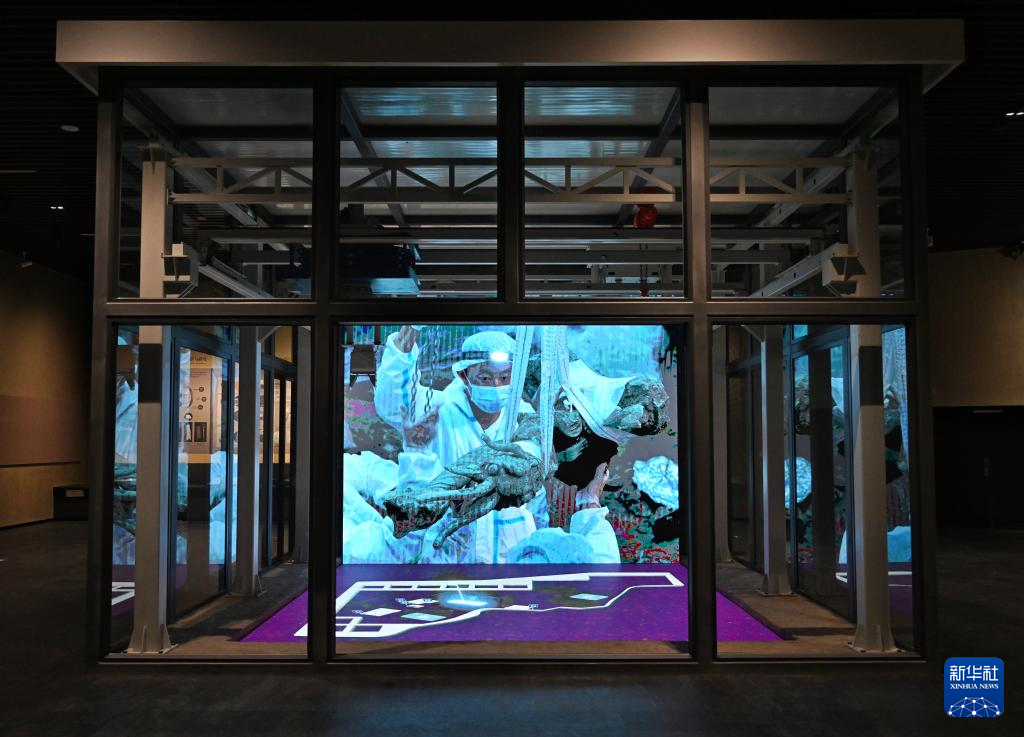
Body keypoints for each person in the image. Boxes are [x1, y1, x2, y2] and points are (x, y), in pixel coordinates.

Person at [348, 326, 619, 564]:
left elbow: (535, 497)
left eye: (505, 378)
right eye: (486, 378)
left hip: (511, 552)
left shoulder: (524, 420)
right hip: (449, 554)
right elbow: (394, 401)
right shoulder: (437, 411)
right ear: (464, 376)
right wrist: (410, 332)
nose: (496, 385)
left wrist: (536, 539)